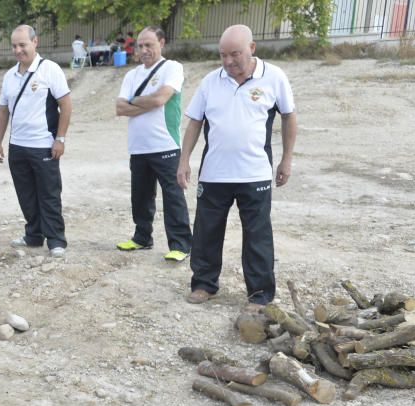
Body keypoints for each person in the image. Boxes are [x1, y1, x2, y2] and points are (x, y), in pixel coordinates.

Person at [177, 24, 296, 306]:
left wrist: (286, 159)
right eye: (223, 55)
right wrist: (184, 161)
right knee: (207, 233)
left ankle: (260, 293)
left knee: (257, 235)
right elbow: (195, 122)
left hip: (254, 174)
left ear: (252, 49)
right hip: (214, 174)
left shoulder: (274, 77)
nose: (228, 62)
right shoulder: (210, 81)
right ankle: (204, 284)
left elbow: (289, 117)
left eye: (235, 54)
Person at [0, 24, 72, 258]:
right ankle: (34, 235)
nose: (18, 50)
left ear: (35, 42)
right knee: (26, 194)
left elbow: (66, 106)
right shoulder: (9, 75)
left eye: (22, 45)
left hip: (44, 145)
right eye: (14, 46)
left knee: (48, 194)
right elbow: (3, 111)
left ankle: (56, 239)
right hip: (18, 146)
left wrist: (60, 138)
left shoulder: (50, 70)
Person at [114, 26, 192, 262]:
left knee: (173, 197)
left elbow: (161, 99)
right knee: (140, 196)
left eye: (149, 45)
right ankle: (142, 238)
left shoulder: (172, 68)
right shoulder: (132, 75)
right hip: (139, 147)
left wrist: (134, 101)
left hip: (166, 145)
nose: (144, 50)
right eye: (140, 45)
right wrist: (146, 103)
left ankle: (181, 244)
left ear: (162, 43)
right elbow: (119, 108)